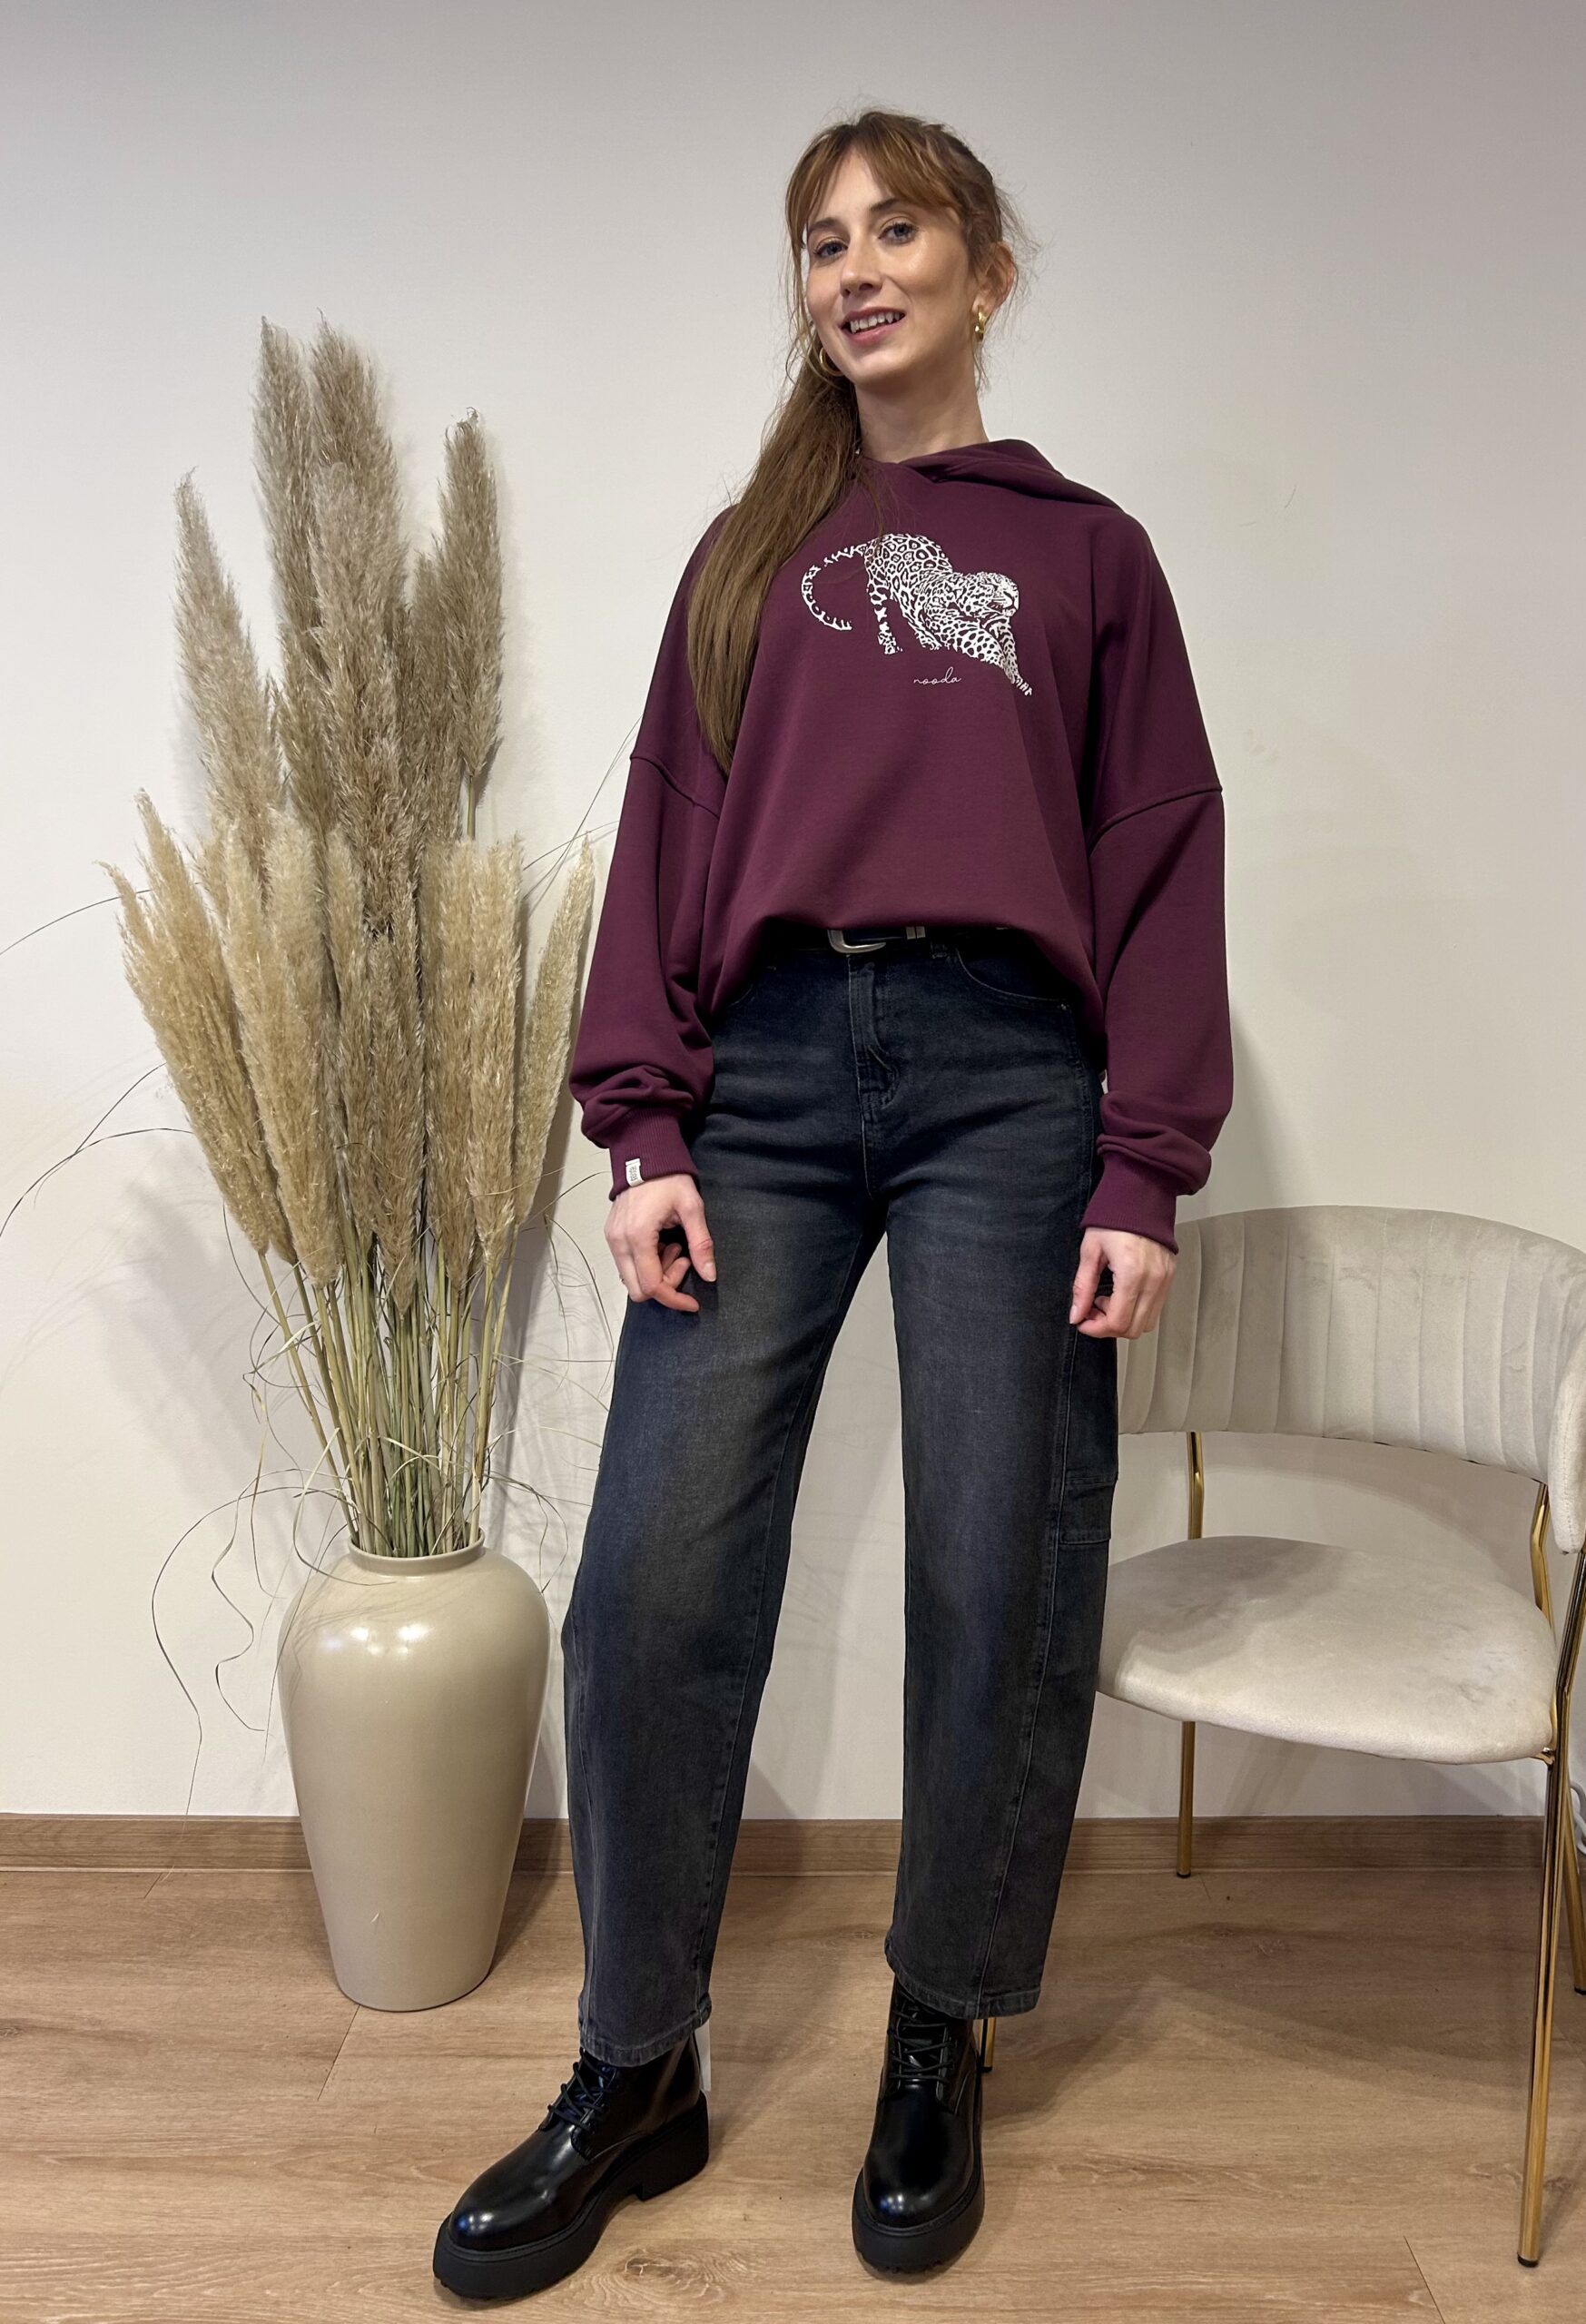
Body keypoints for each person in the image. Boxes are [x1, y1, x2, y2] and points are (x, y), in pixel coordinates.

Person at [434, 103, 1233, 2300]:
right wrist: (641, 1123)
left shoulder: (1086, 558)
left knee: (994, 1562)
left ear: (986, 270)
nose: (855, 268)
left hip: (1008, 1082)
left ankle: (936, 2024)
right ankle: (636, 2063)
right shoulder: (752, 550)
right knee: (652, 1576)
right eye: (819, 240)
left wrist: (1143, 1157)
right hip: (766, 1072)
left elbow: (1159, 852)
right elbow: (666, 834)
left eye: (897, 229)